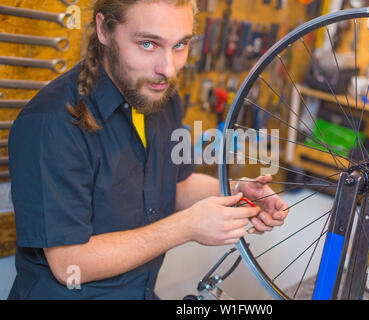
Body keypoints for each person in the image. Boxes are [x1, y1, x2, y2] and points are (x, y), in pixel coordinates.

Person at [7, 0, 288, 300]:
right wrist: (186, 227)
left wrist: (235, 192)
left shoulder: (160, 98)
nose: (167, 69)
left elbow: (173, 185)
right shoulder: (52, 123)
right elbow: (69, 263)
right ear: (104, 29)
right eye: (147, 44)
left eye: (180, 45)